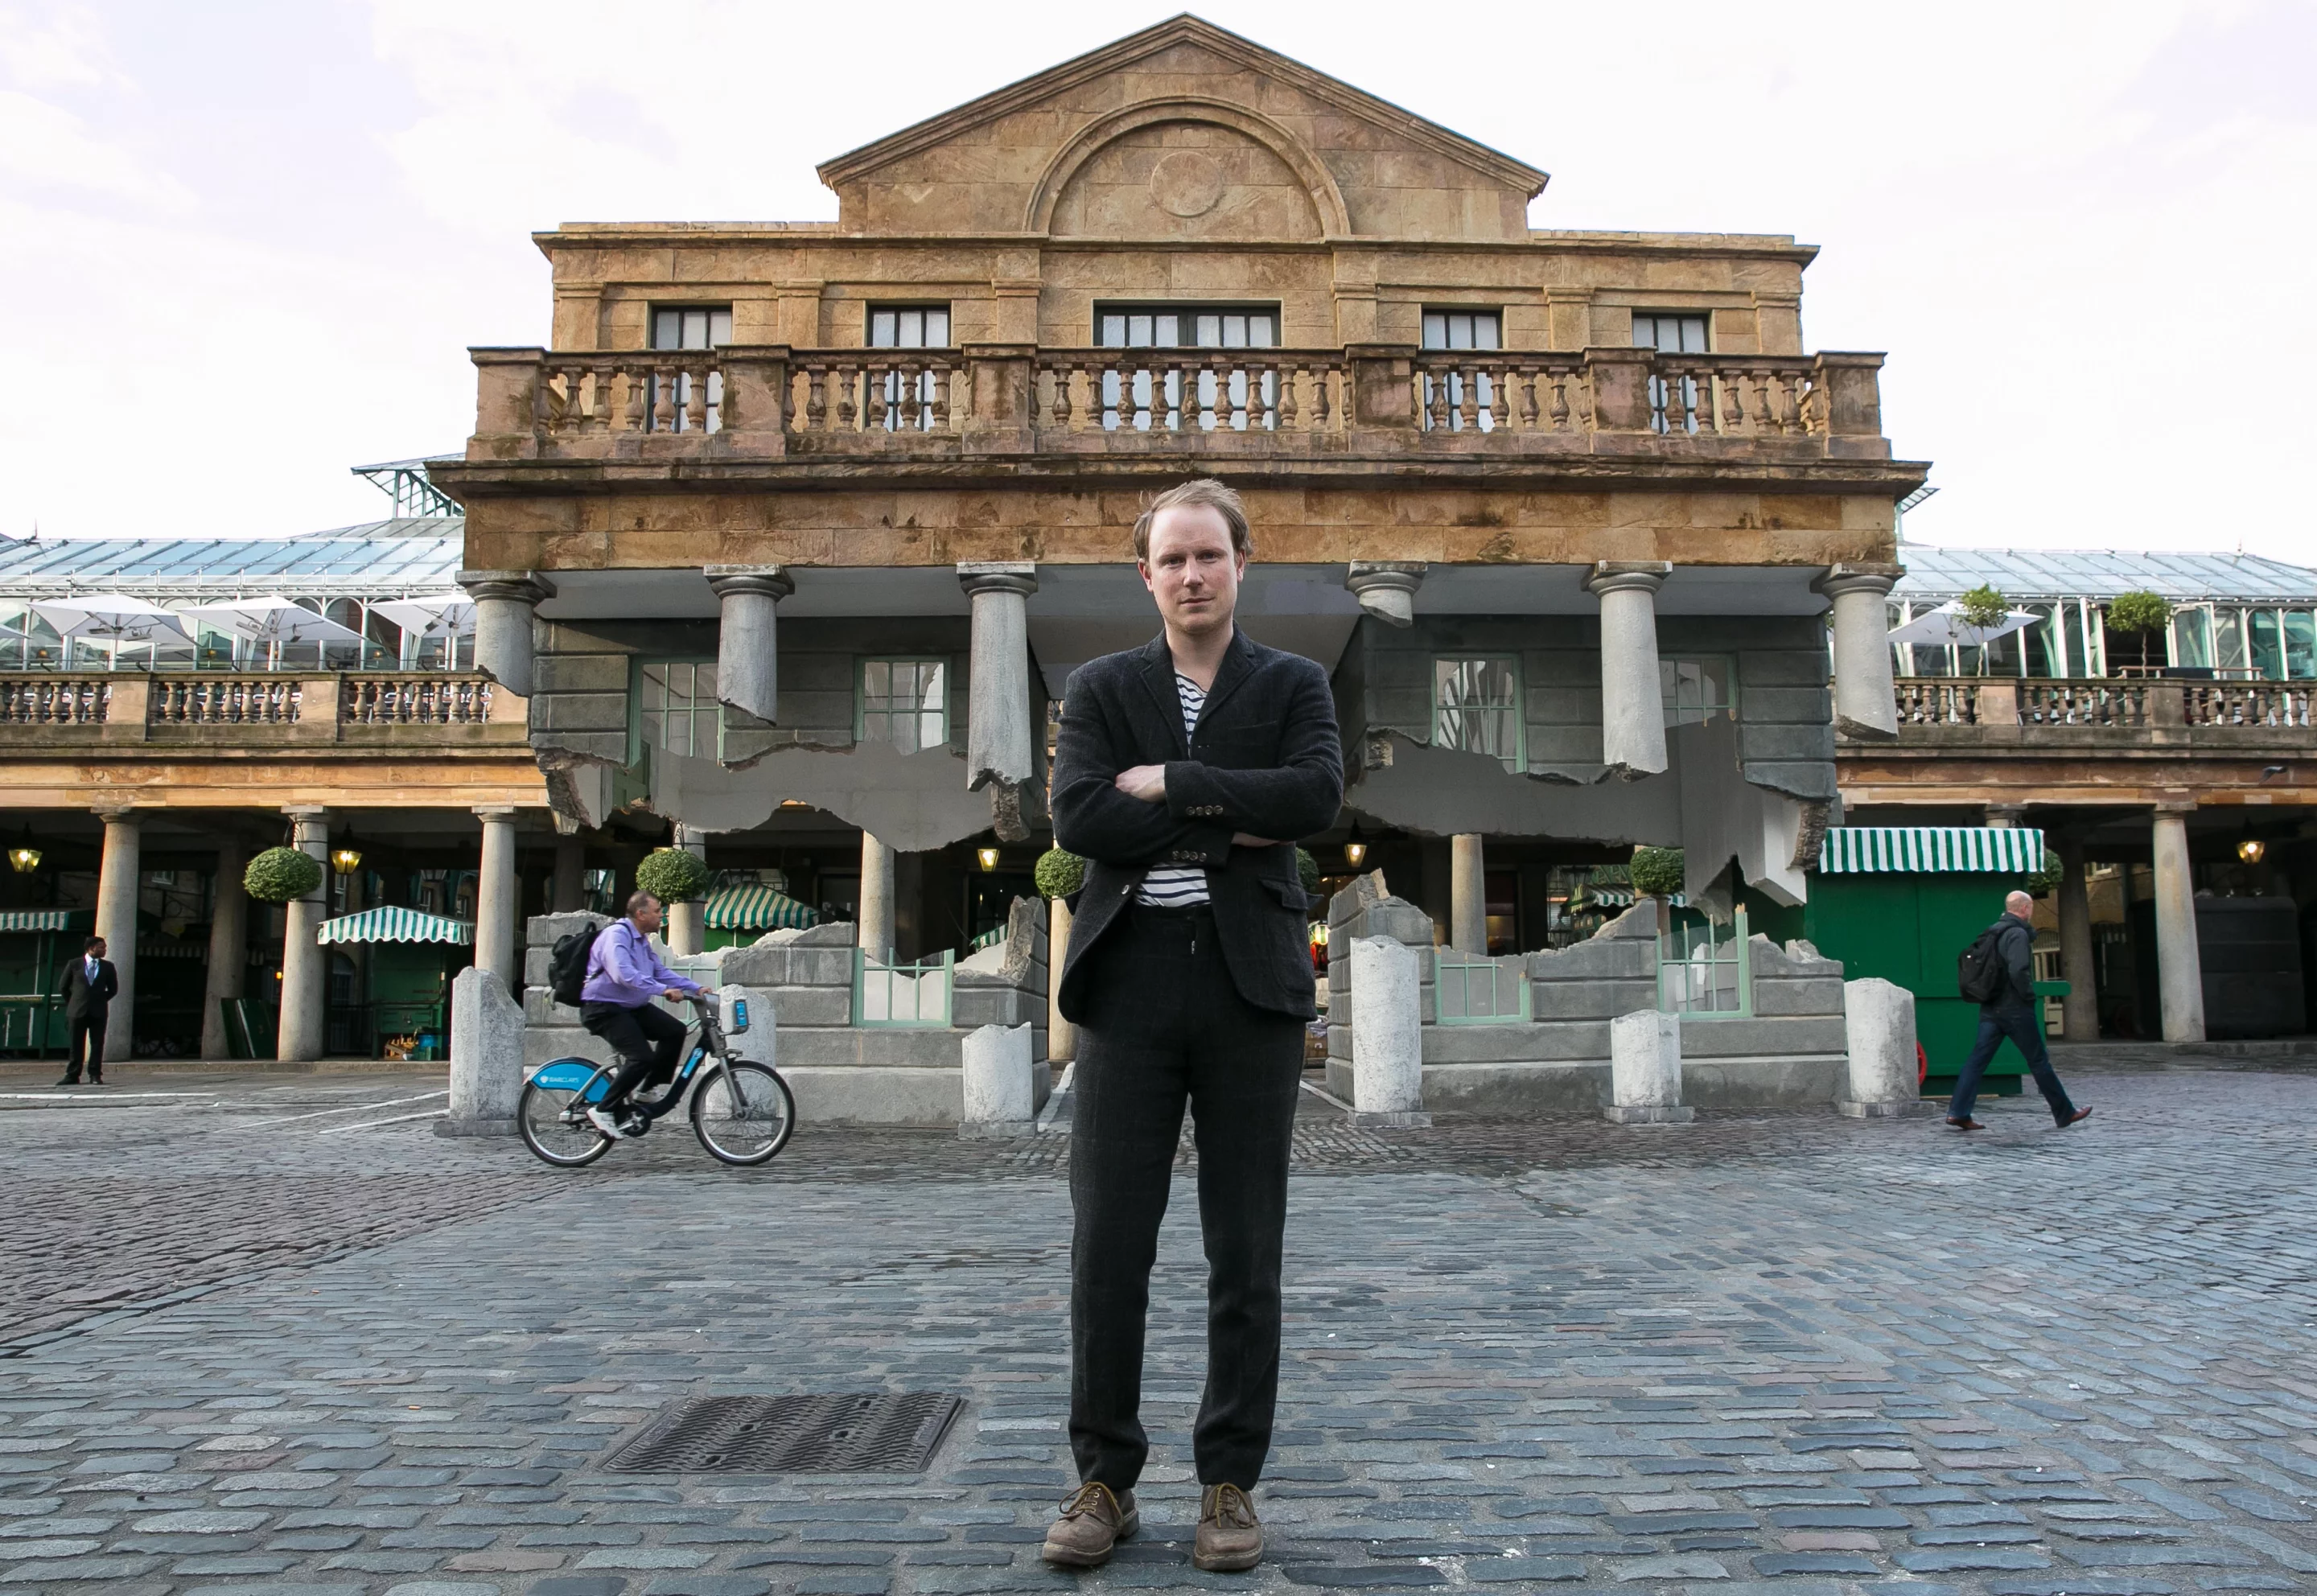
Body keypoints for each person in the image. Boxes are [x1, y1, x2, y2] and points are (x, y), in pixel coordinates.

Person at [1041, 479, 1344, 1574]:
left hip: (1250, 991)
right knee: (1108, 1245)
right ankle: (1104, 1481)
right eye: (1171, 560)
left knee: (1243, 1246)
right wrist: (1234, 812)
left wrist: (1174, 784)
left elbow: (1312, 798)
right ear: (1147, 576)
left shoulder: (1293, 681)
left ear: (1241, 564)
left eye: (1208, 556)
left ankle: (1229, 1482)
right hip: (1128, 990)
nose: (1191, 576)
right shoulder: (1104, 686)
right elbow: (1080, 817)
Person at [1948, 889, 2092, 1132]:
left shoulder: (1993, 931)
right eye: (2031, 909)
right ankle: (2064, 1112)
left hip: (1990, 1007)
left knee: (1977, 1061)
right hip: (2014, 1008)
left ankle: (1958, 1112)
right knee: (2038, 1061)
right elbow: (2018, 970)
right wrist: (2027, 996)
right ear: (2025, 909)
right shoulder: (2016, 933)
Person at [578, 891, 704, 1138]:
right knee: (641, 1057)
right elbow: (623, 975)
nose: (662, 916)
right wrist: (663, 991)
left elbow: (660, 971)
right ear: (640, 914)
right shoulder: (617, 936)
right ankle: (603, 1109)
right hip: (604, 1008)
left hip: (631, 1006)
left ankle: (648, 1088)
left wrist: (695, 987)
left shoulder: (642, 941)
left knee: (675, 1031)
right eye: (658, 911)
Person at [55, 936, 119, 1087]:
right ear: (92, 948)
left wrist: (100, 1000)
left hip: (98, 1011)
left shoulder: (108, 966)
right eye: (101, 947)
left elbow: (113, 989)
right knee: (76, 1044)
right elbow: (63, 986)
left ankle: (95, 1074)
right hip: (77, 1011)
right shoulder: (74, 964)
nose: (105, 950)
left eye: (105, 948)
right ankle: (72, 1074)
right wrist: (73, 1002)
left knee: (97, 1043)